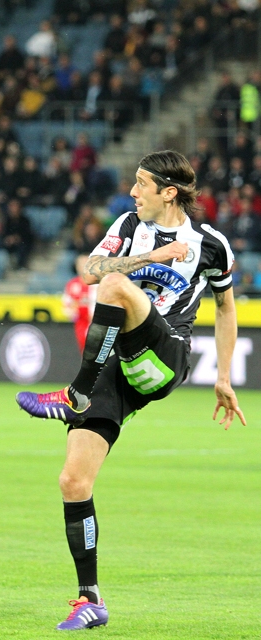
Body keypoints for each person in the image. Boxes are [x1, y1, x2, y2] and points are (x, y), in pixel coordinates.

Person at [16, 150, 246, 630]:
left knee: (119, 287)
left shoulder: (210, 243)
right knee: (73, 482)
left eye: (142, 184)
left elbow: (226, 309)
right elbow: (89, 271)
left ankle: (75, 393)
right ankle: (90, 599)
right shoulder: (128, 225)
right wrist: (152, 257)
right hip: (119, 367)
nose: (133, 192)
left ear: (169, 192)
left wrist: (223, 377)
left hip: (166, 357)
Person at [62, 254, 97, 352]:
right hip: (81, 324)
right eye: (80, 264)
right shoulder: (72, 285)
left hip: (96, 323)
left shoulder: (98, 284)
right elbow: (66, 306)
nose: (83, 266)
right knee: (85, 352)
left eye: (86, 263)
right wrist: (73, 312)